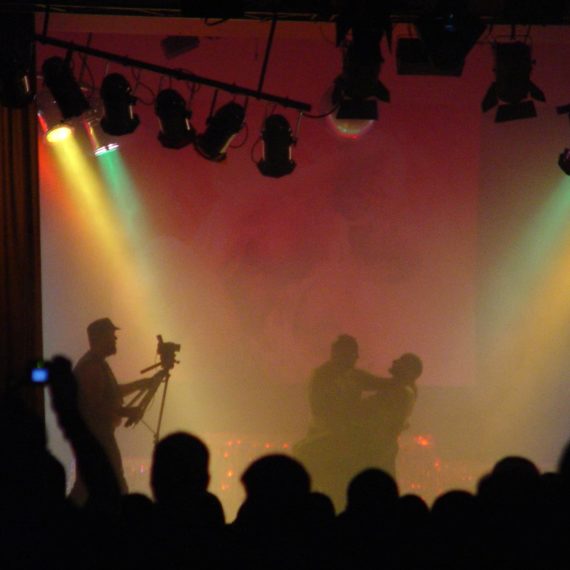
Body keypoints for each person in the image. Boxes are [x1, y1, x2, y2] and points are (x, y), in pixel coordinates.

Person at [294, 334, 394, 509]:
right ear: (335, 354)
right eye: (344, 354)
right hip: (325, 435)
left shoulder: (355, 375)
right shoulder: (321, 376)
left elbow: (383, 384)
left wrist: (401, 380)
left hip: (348, 437)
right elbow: (319, 409)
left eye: (351, 355)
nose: (349, 359)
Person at [69, 318, 162, 505]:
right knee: (113, 485)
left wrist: (141, 384)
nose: (115, 340)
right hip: (98, 437)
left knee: (88, 486)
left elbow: (111, 393)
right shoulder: (91, 366)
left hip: (96, 437)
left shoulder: (97, 364)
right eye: (112, 336)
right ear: (100, 337)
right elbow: (95, 405)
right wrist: (127, 411)